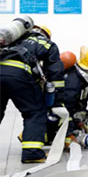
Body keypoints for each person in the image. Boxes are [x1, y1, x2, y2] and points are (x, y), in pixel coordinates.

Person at [0, 24, 64, 163]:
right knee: (34, 112)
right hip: (19, 75)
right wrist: (57, 98)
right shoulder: (48, 44)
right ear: (46, 35)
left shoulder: (13, 39)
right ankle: (32, 153)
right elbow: (55, 73)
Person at [48, 48, 88, 148]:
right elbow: (65, 111)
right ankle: (49, 135)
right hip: (52, 117)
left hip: (57, 115)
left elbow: (80, 106)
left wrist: (82, 124)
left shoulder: (80, 79)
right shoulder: (74, 84)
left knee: (80, 114)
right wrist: (69, 136)